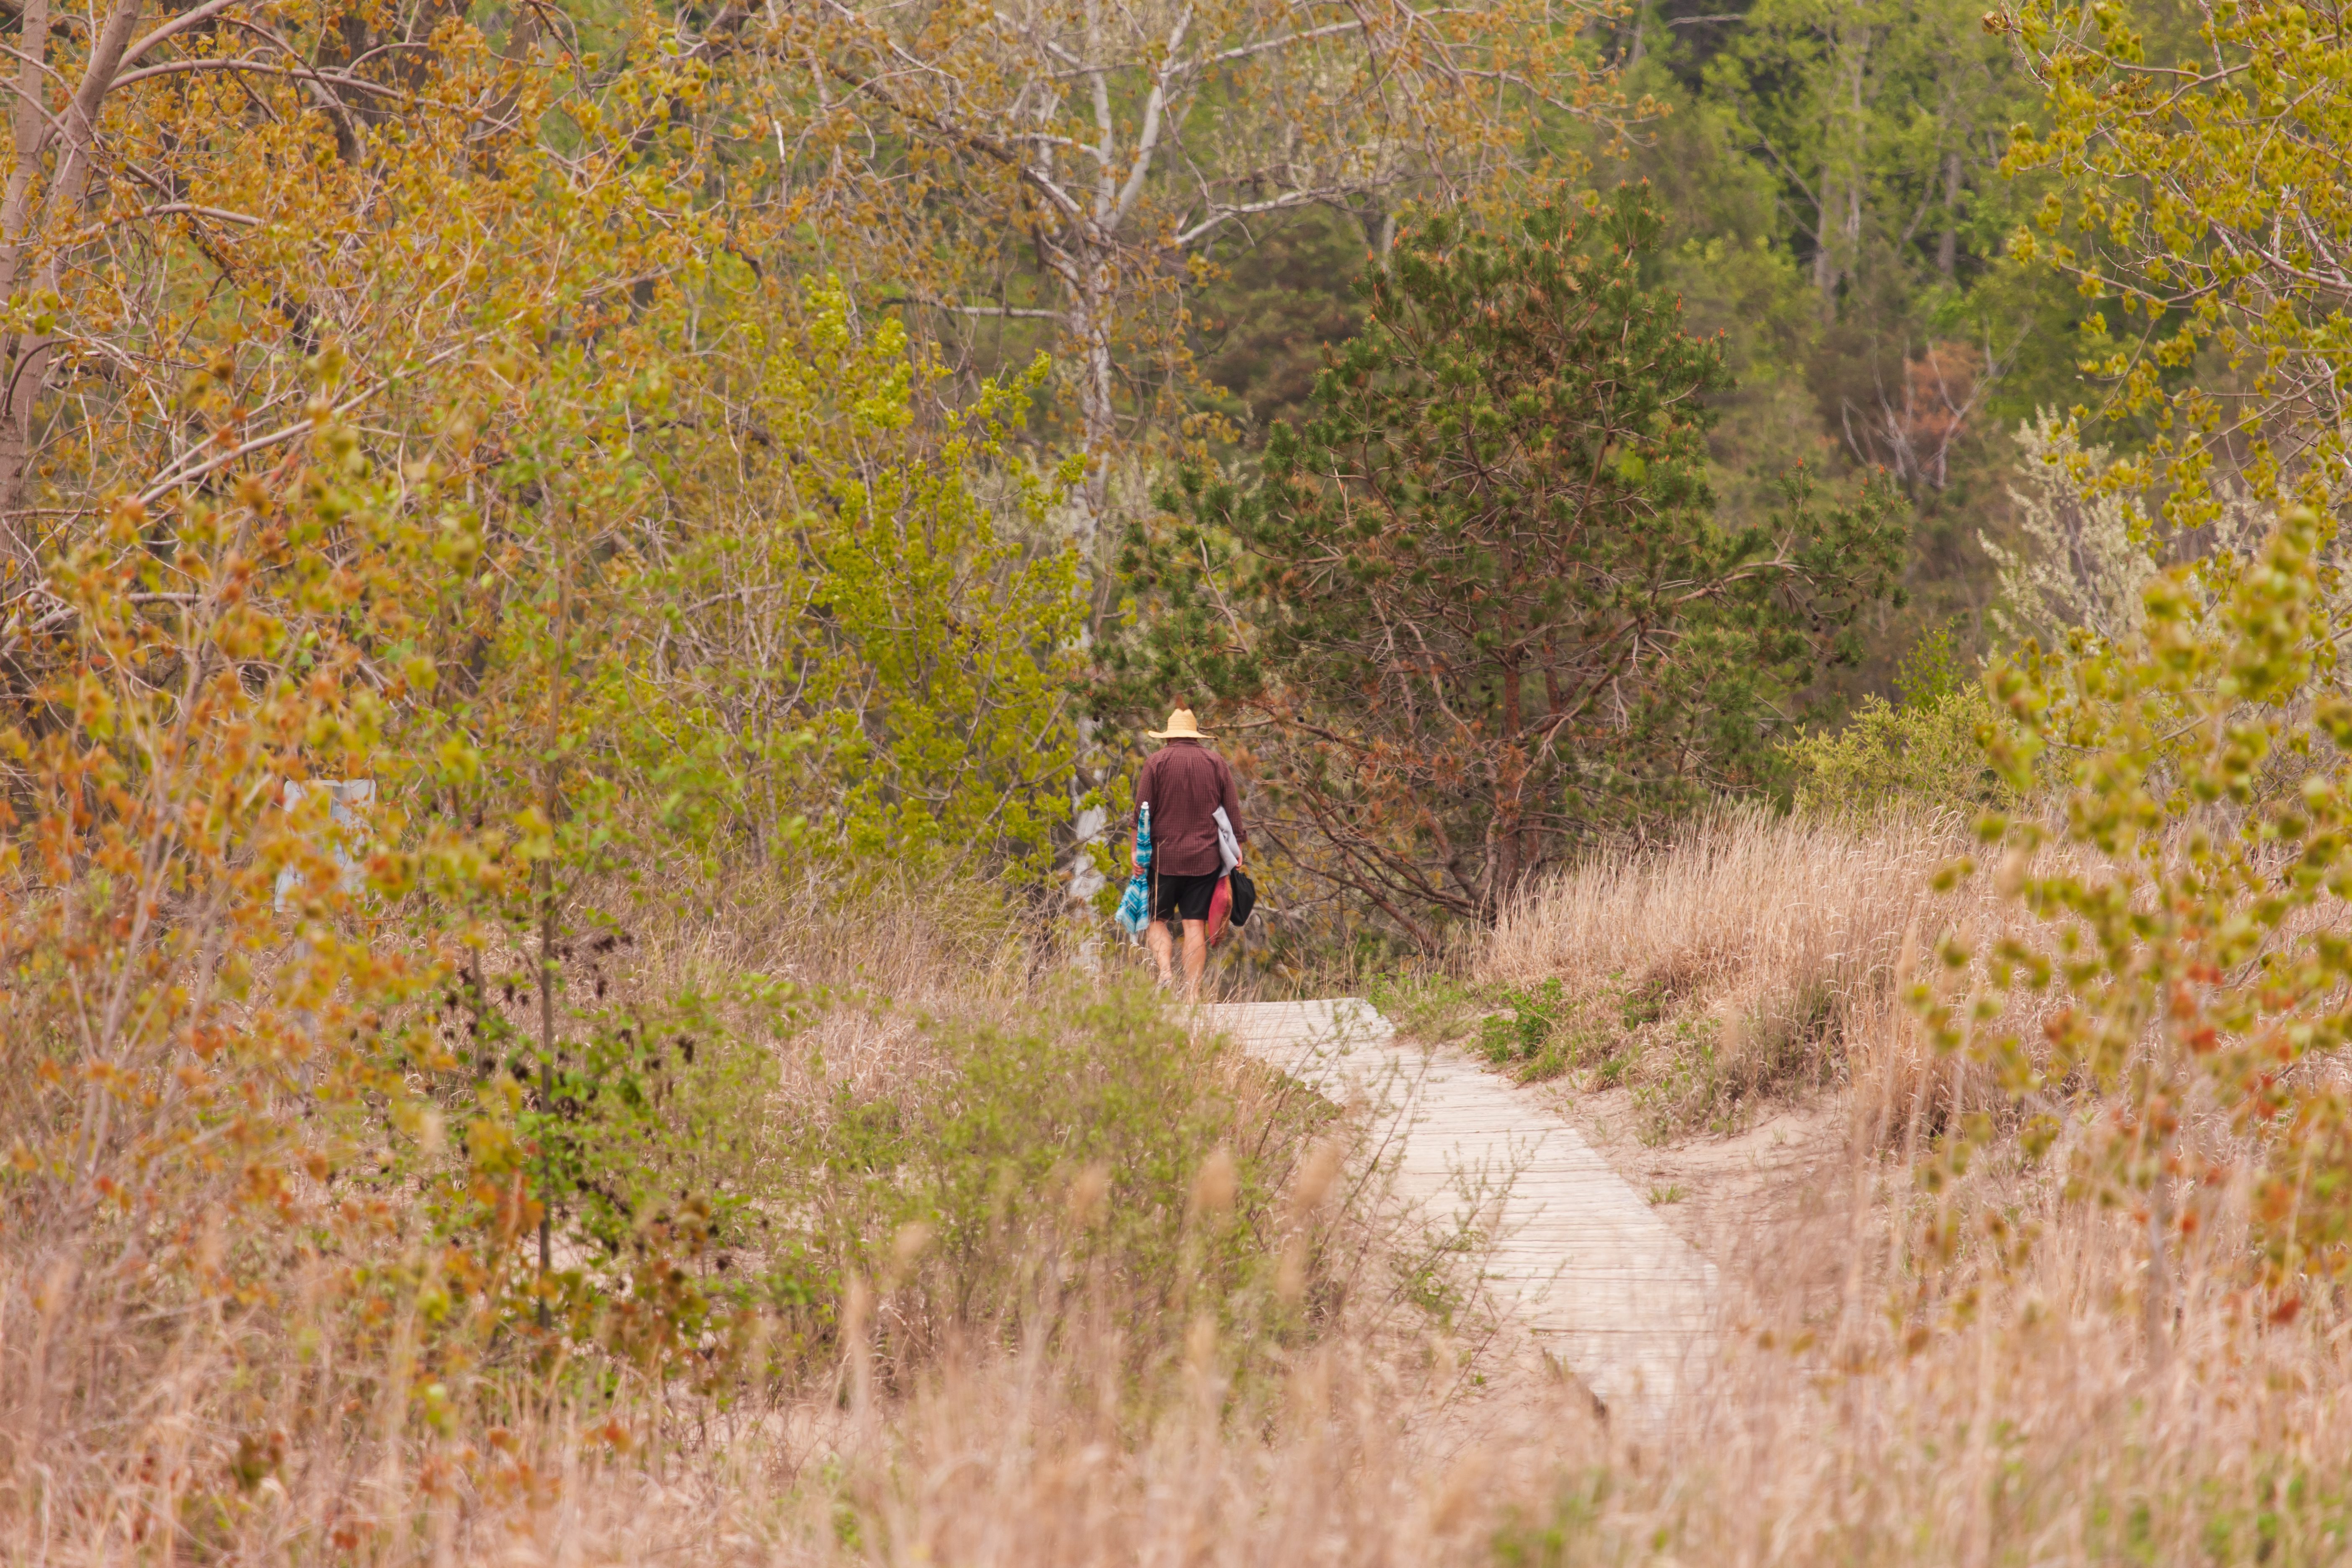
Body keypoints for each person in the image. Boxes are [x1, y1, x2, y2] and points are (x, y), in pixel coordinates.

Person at [1133, 706, 1246, 1000]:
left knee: (1156, 921)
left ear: (1169, 737)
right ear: (1196, 736)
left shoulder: (1156, 763)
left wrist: (1136, 852)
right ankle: (1193, 994)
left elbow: (1141, 814)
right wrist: (1238, 848)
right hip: (1204, 859)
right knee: (1194, 924)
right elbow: (1233, 810)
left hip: (1163, 858)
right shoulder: (1216, 763)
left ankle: (1166, 973)